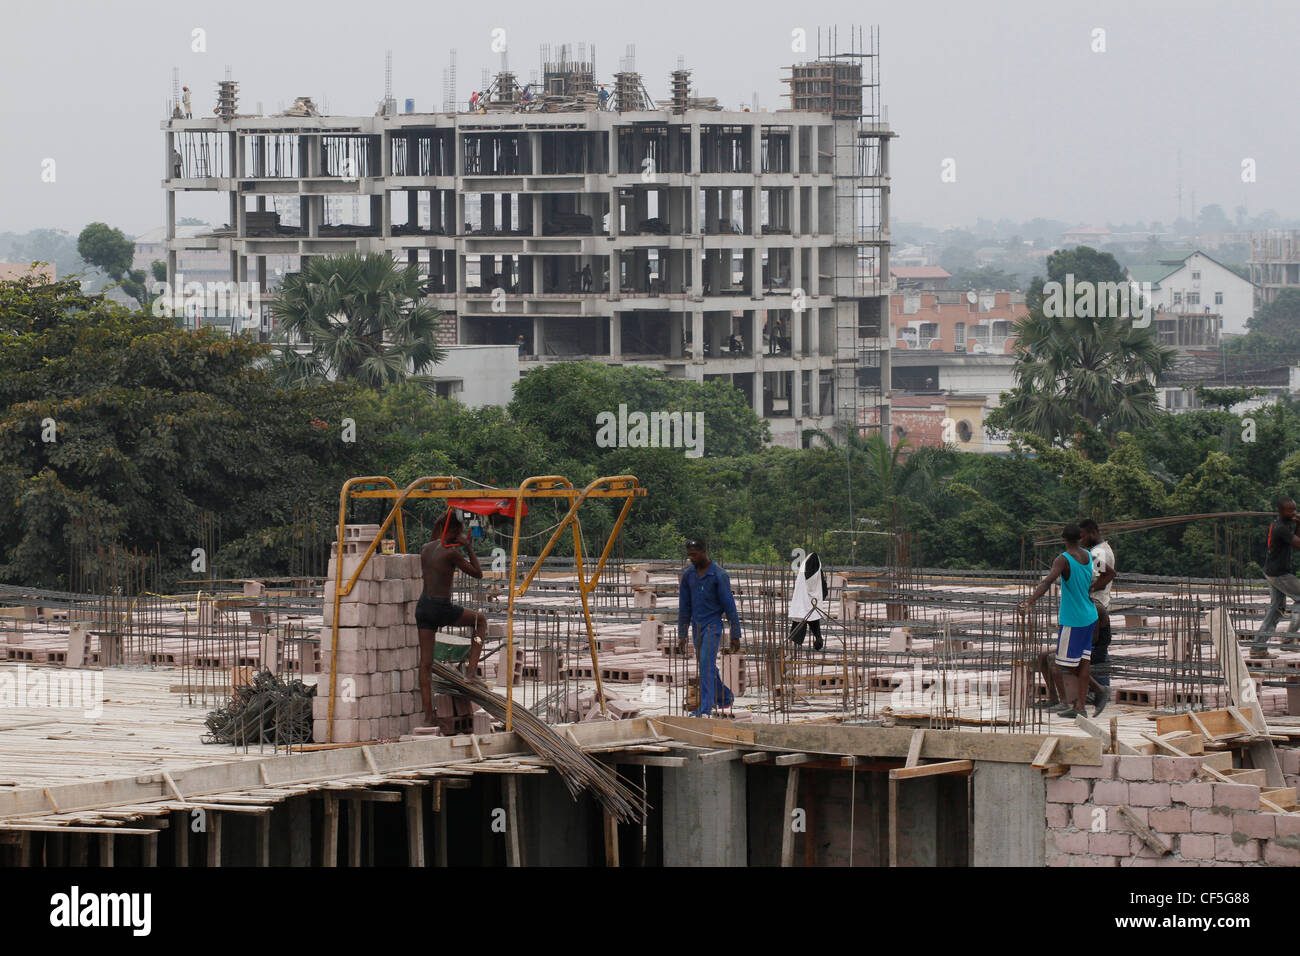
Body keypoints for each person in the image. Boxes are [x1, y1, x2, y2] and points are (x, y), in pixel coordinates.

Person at [416, 511, 489, 726]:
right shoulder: (452, 553)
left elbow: (438, 526)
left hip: (423, 608)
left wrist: (451, 511)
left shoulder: (426, 548)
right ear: (457, 532)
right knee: (481, 622)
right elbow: (478, 573)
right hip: (441, 607)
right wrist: (467, 547)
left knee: (425, 665)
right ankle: (470, 672)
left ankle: (429, 718)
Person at [1019, 523, 1097, 718]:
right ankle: (1080, 708)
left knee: (1065, 663)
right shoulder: (1088, 556)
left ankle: (1096, 692)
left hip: (1074, 619)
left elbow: (1047, 582)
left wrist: (1029, 602)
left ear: (1063, 538)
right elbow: (1096, 579)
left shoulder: (1063, 559)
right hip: (1090, 615)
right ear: (1080, 538)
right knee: (1084, 661)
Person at [677, 537, 742, 717]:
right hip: (696, 626)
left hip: (712, 626)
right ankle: (725, 697)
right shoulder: (688, 576)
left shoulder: (718, 575)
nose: (691, 558)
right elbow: (684, 607)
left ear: (704, 552)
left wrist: (735, 634)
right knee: (707, 666)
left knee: (706, 665)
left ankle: (705, 709)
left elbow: (730, 606)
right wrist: (682, 634)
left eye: (694, 555)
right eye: (689, 555)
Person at [1252, 496, 1300, 658]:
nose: (1294, 512)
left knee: (1276, 609)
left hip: (1273, 571)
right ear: (1281, 511)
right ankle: (1289, 641)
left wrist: (1298, 523)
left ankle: (1258, 649)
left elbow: (1296, 542)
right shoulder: (1280, 528)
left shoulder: (1283, 524)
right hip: (1279, 574)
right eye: (1290, 510)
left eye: (1295, 509)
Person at [1080, 519, 1115, 714]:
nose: (1082, 540)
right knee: (1099, 651)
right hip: (1100, 604)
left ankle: (1099, 691)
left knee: (1092, 650)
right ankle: (1100, 689)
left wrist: (1088, 589)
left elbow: (1104, 577)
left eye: (1083, 535)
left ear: (1092, 532)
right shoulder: (1103, 549)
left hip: (1096, 605)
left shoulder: (1098, 553)